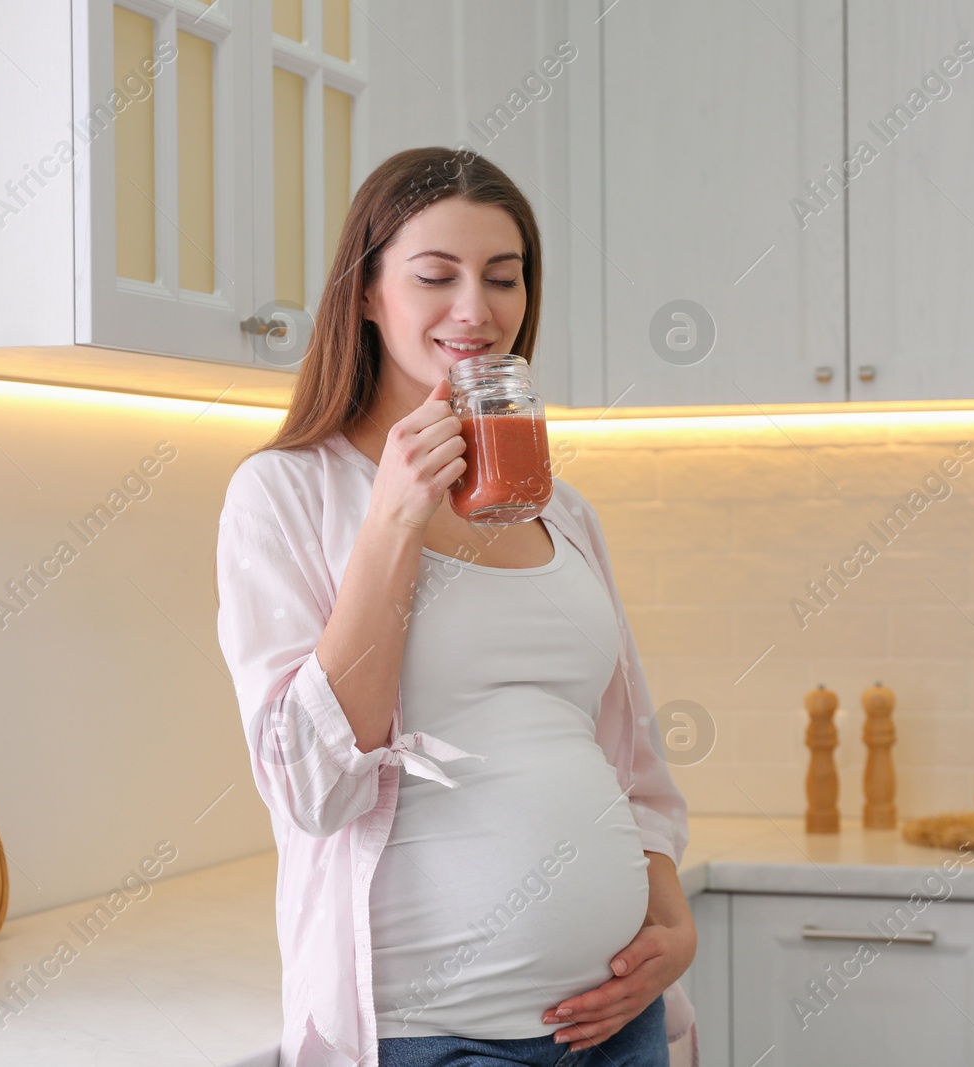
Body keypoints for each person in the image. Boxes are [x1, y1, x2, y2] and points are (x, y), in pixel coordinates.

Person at [216, 146, 697, 1067]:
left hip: (613, 1019)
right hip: (432, 1032)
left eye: (503, 277)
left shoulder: (566, 510)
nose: (477, 310)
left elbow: (628, 754)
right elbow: (313, 784)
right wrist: (394, 517)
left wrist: (668, 913)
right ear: (365, 293)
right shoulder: (285, 493)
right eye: (436, 275)